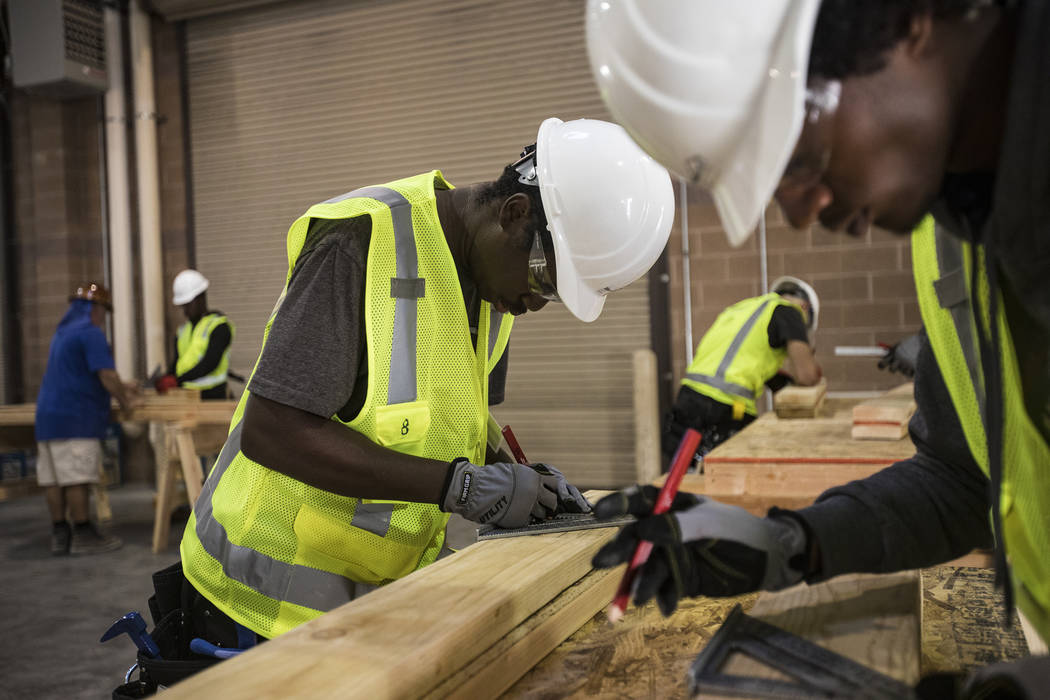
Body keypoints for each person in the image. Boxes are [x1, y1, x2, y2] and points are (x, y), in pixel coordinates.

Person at [586, 1, 1050, 691]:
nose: (801, 211)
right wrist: (792, 542)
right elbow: (963, 481)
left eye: (799, 155)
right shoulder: (948, 238)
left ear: (907, 20)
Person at [168, 117, 674, 649]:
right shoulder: (357, 244)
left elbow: (459, 424)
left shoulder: (493, 290)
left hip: (376, 604)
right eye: (545, 280)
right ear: (514, 214)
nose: (533, 304)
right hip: (255, 607)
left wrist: (525, 483)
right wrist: (461, 486)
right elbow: (274, 432)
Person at [666, 276, 822, 459]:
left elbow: (744, 359)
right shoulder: (791, 311)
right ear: (805, 307)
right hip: (725, 407)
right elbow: (808, 377)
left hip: (689, 398)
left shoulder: (744, 309)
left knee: (686, 477)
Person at [35, 283, 138, 555]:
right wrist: (128, 402)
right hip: (75, 418)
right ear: (93, 308)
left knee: (54, 480)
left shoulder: (62, 334)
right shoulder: (90, 334)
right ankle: (83, 534)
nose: (103, 317)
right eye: (102, 310)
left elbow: (80, 374)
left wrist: (124, 385)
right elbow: (106, 376)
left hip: (48, 418)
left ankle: (60, 534)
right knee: (76, 479)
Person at [154, 269, 235, 399]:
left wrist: (177, 380)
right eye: (182, 305)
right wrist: (167, 377)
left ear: (201, 298)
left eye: (188, 304)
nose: (185, 310)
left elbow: (210, 363)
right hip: (186, 397)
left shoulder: (219, 327)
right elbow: (177, 363)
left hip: (213, 398)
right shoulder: (182, 331)